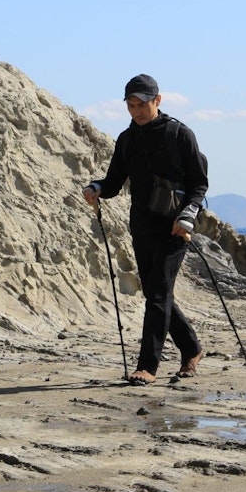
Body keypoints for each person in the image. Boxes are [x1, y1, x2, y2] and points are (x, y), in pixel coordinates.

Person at [83, 73, 209, 385]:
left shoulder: (180, 134)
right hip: (141, 226)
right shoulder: (127, 140)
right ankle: (192, 348)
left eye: (142, 104)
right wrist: (96, 187)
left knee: (158, 293)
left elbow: (199, 183)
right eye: (131, 105)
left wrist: (188, 216)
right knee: (156, 292)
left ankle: (147, 367)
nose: (137, 111)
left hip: (175, 227)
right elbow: (113, 182)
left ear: (158, 101)